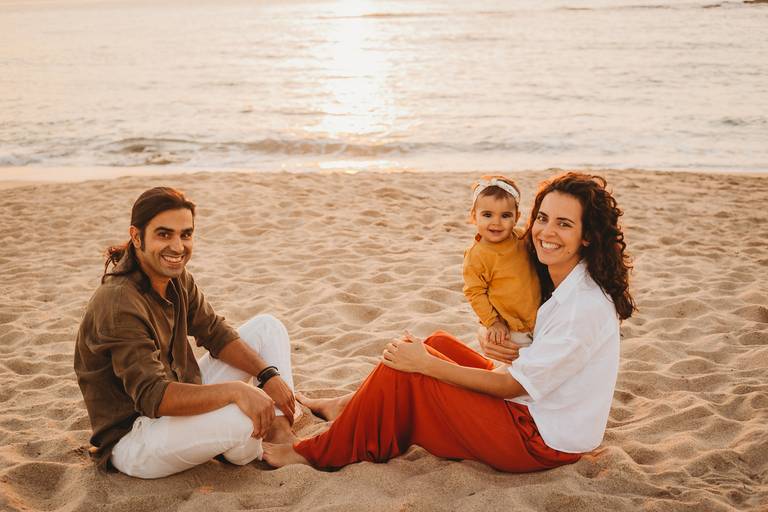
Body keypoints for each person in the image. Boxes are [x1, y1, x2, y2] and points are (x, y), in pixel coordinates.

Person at [263, 172, 636, 472]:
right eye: (542, 218)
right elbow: (544, 355)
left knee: (410, 368)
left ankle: (313, 453)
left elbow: (509, 384)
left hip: (539, 441)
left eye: (564, 224)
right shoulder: (567, 281)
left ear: (587, 236)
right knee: (437, 343)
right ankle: (350, 406)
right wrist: (494, 341)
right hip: (540, 412)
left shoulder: (581, 306)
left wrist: (427, 365)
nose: (545, 232)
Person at [74, 187, 298, 479]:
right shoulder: (118, 303)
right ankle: (243, 445)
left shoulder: (176, 279)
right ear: (137, 236)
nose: (178, 247)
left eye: (186, 234)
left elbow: (215, 333)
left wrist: (268, 375)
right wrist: (236, 391)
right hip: (136, 437)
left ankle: (280, 433)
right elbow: (153, 397)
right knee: (244, 414)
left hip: (179, 400)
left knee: (268, 328)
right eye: (164, 234)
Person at [462, 175, 540, 347]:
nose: (496, 222)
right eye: (487, 215)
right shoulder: (477, 255)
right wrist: (492, 322)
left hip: (537, 318)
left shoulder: (520, 237)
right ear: (474, 216)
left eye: (505, 215)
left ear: (516, 217)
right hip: (509, 327)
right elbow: (474, 292)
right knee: (515, 367)